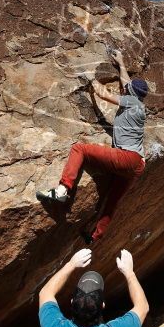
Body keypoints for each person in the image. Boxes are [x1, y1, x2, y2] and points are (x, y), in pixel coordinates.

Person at [36, 46, 148, 244]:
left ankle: (63, 190)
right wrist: (121, 63)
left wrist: (90, 79)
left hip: (127, 158)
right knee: (112, 200)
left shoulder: (130, 102)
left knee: (80, 149)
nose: (124, 88)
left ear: (131, 93)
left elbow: (104, 95)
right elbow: (127, 83)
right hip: (137, 165)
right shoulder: (138, 104)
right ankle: (95, 235)